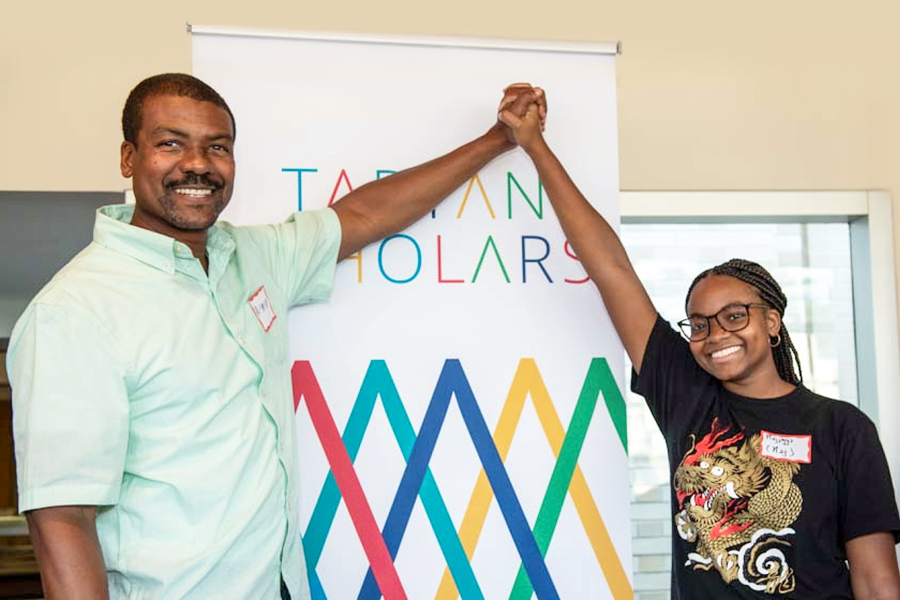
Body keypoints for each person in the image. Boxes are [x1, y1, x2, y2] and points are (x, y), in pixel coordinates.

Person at [6, 74, 545, 600]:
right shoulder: (74, 312)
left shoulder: (253, 257)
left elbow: (363, 214)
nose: (197, 164)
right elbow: (62, 519)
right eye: (171, 144)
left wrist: (499, 140)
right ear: (129, 158)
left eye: (217, 147)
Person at [498, 102, 900, 598]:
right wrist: (534, 145)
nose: (717, 335)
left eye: (736, 316)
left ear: (771, 321)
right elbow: (611, 270)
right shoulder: (687, 394)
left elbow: (875, 578)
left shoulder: (841, 428)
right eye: (700, 324)